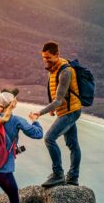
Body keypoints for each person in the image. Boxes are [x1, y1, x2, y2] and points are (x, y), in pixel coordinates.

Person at [30, 41, 82, 188]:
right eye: (43, 57)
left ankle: (58, 175)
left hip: (70, 111)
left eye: (48, 57)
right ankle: (73, 178)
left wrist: (40, 113)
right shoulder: (53, 68)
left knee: (49, 139)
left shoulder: (65, 71)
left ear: (57, 54)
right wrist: (52, 108)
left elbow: (59, 100)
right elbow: (53, 90)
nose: (45, 60)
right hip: (66, 110)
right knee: (73, 145)